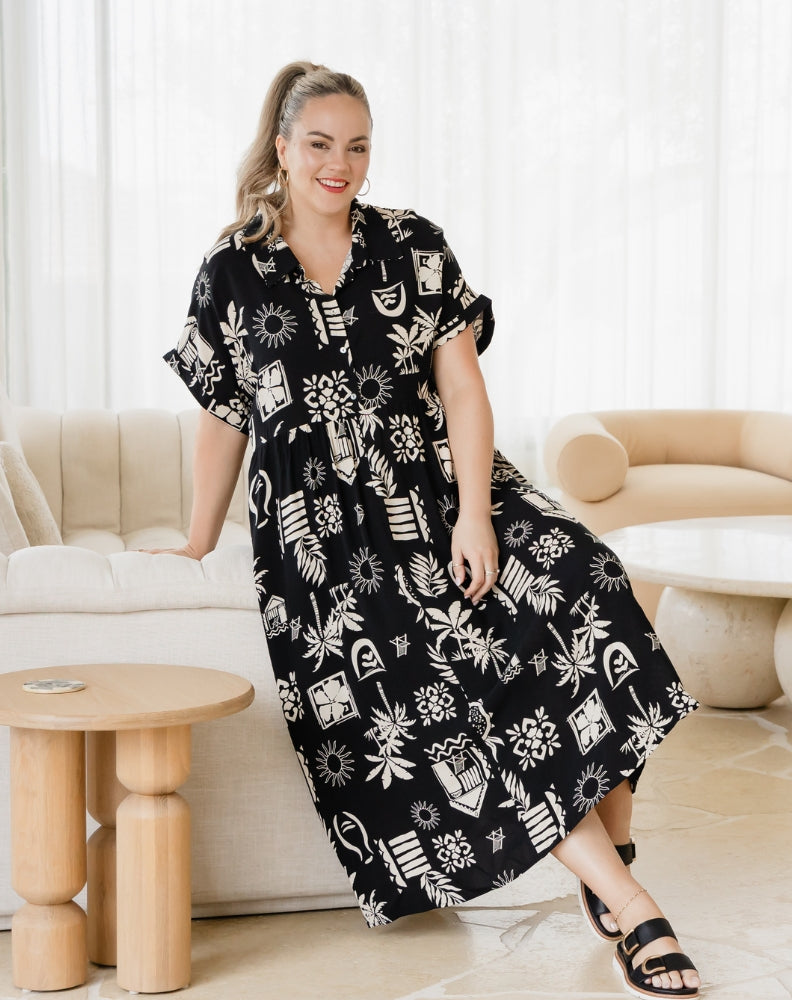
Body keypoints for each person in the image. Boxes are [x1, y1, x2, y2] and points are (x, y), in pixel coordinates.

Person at [163, 61, 701, 998]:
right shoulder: (231, 270)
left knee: (591, 582)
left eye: (357, 145)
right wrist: (197, 542)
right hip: (324, 542)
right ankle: (631, 902)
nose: (339, 163)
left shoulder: (413, 244)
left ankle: (610, 853)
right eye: (319, 144)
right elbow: (224, 419)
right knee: (453, 694)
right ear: (282, 148)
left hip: (442, 491)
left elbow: (462, 389)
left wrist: (477, 517)